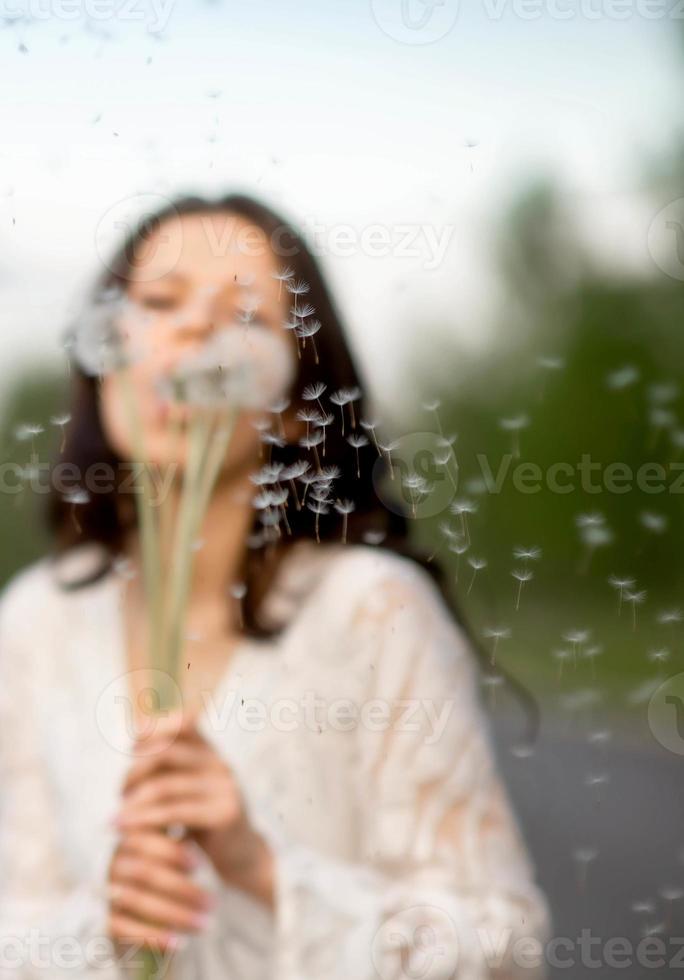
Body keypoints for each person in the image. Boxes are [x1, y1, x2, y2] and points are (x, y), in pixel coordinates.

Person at [0, 194, 550, 978]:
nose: (193, 330)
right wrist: (107, 924)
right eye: (158, 302)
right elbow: (15, 924)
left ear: (297, 409)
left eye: (245, 317)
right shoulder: (35, 620)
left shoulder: (372, 610)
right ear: (108, 358)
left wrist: (259, 867)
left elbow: (504, 945)